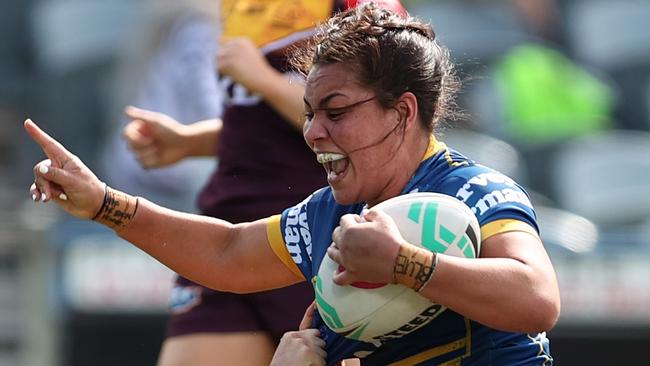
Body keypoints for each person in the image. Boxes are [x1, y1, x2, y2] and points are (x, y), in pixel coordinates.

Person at [26, 3, 560, 365]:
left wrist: (403, 264)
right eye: (308, 113)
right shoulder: (327, 212)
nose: (311, 132)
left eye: (335, 111)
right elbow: (229, 251)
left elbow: (537, 300)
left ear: (402, 112)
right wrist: (102, 203)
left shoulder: (474, 190)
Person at [121, 1, 407, 365]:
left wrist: (264, 79)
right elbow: (260, 126)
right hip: (226, 230)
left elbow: (380, 119)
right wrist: (190, 141)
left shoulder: (357, 5)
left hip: (314, 242)